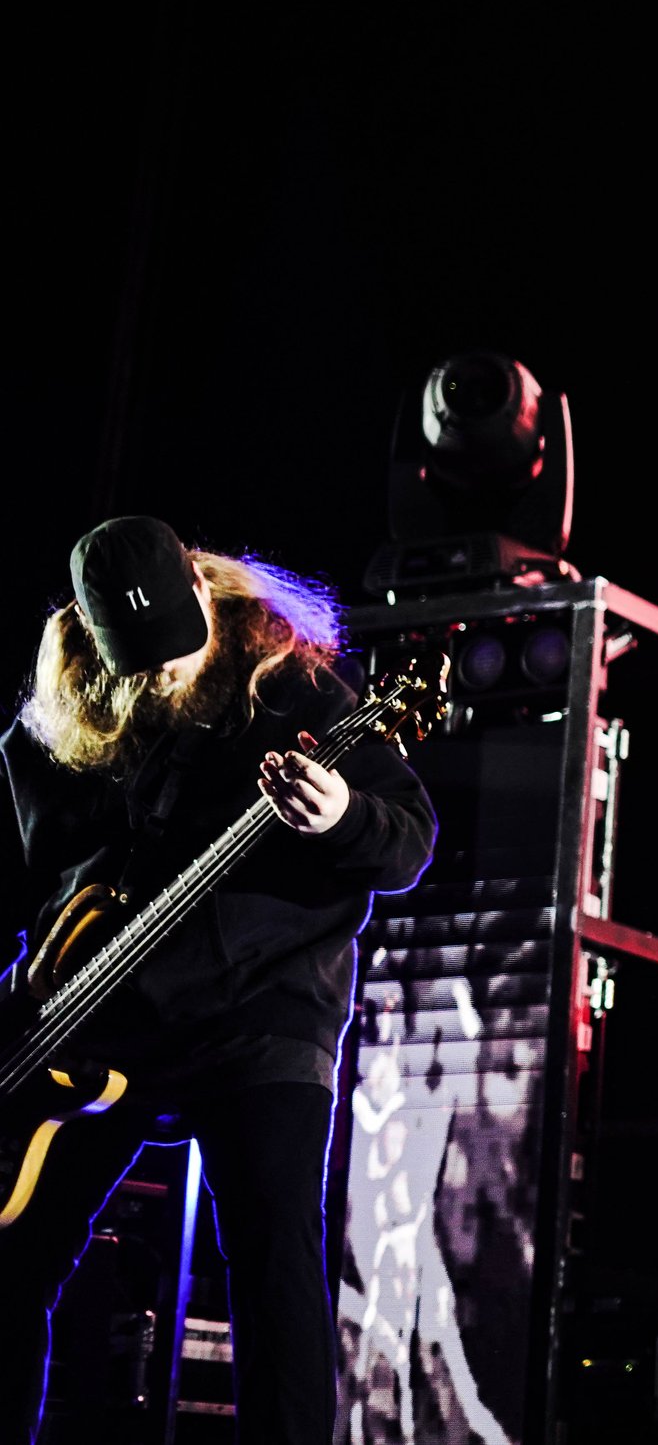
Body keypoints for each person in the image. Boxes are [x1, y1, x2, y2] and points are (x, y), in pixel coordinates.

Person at [0, 517, 436, 1445]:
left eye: (176, 647)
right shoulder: (62, 710)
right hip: (106, 1024)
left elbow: (408, 840)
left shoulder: (294, 684)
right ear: (87, 637)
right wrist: (42, 956)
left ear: (205, 592)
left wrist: (342, 815)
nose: (163, 675)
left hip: (262, 1011)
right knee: (13, 1251)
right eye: (139, 661)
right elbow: (45, 875)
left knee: (275, 1251)